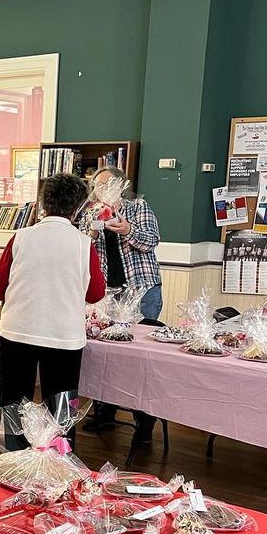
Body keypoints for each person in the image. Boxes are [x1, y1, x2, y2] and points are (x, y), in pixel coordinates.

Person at [0, 172, 105, 448]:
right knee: (61, 408)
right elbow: (96, 293)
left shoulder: (22, 237)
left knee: (14, 403)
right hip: (64, 337)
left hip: (17, 331)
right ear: (78, 208)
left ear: (43, 203)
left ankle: (14, 462)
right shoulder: (82, 244)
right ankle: (58, 466)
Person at [77, 166, 162, 443]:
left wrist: (127, 229)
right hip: (106, 294)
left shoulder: (139, 207)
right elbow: (79, 247)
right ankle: (104, 413)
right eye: (97, 185)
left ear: (121, 185)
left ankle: (144, 422)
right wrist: (88, 235)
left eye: (108, 183)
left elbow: (152, 241)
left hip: (142, 290)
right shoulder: (91, 213)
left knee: (141, 357)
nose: (102, 189)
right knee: (106, 355)